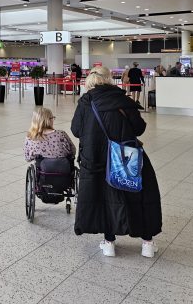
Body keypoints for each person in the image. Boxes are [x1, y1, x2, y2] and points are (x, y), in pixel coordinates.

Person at [71, 66, 162, 258]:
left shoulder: (86, 102)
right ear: (109, 79)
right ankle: (147, 244)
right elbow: (139, 128)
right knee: (140, 195)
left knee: (104, 199)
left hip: (96, 160)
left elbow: (76, 130)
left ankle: (109, 242)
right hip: (126, 158)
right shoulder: (123, 100)